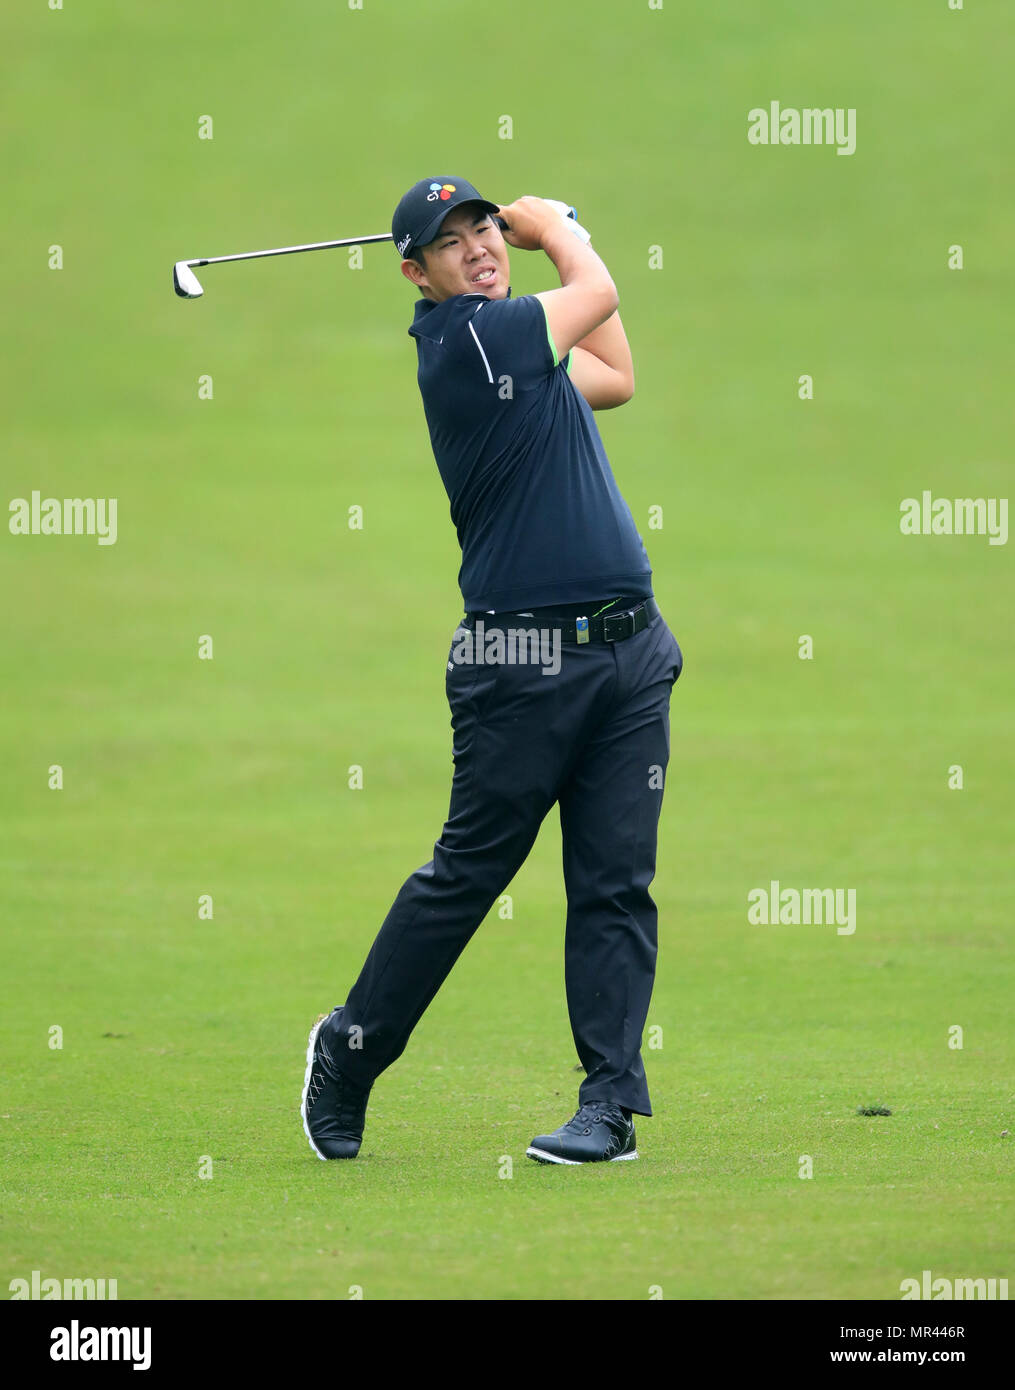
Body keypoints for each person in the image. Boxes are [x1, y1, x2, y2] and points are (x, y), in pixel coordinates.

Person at [301, 176, 683, 1165]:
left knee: (614, 882)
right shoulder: (469, 340)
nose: (476, 245)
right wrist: (558, 227)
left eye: (483, 227)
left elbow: (614, 368)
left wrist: (557, 248)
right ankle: (350, 1048)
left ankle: (608, 1107)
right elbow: (592, 296)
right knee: (471, 871)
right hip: (522, 659)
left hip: (628, 650)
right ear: (414, 273)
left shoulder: (518, 346)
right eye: (451, 239)